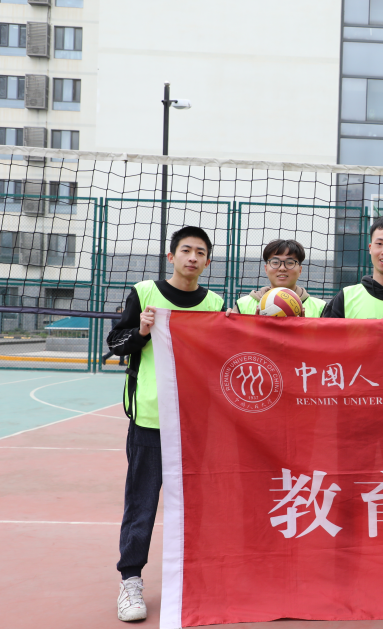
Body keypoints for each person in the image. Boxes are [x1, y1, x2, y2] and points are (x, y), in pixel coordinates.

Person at [106, 226, 225, 622]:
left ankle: (199, 579)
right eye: (186, 250)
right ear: (171, 257)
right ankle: (130, 580)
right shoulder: (145, 293)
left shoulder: (215, 303)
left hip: (198, 423)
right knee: (142, 504)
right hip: (151, 421)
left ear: (208, 262)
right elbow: (115, 344)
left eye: (200, 252)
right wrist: (140, 331)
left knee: (202, 506)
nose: (193, 257)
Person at [231, 239, 326, 318]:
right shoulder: (243, 305)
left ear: (300, 270)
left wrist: (302, 327)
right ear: (266, 269)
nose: (282, 268)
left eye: (290, 262)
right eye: (275, 262)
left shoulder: (320, 308)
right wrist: (228, 319)